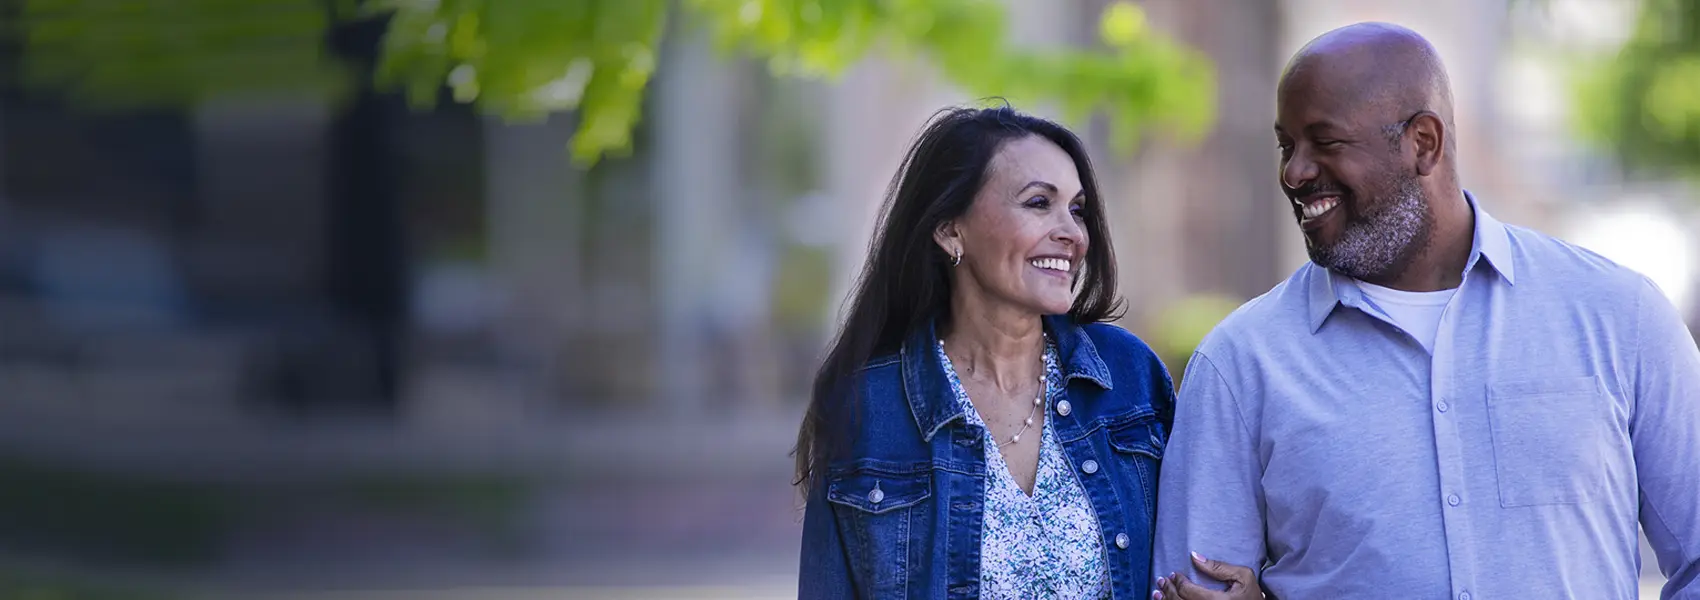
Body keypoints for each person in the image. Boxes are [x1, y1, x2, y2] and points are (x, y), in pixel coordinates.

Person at [1151, 22, 1700, 600]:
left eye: (1325, 142)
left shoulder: (1618, 317)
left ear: (1424, 143)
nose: (1294, 172)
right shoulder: (1239, 365)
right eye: (1287, 146)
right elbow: (1190, 589)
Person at [795, 104, 1260, 600]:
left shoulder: (1128, 376)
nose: (1073, 234)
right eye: (1039, 203)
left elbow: (1197, 557)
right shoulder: (870, 405)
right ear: (951, 229)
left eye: (1077, 210)